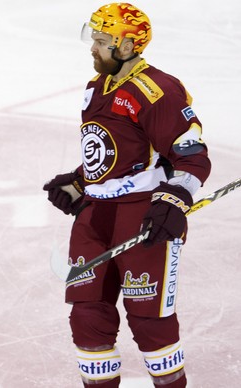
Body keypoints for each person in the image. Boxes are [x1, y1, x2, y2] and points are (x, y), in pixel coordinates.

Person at [43, 3, 210, 388]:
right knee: (87, 314)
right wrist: (82, 182)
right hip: (94, 216)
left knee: (149, 318)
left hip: (142, 215)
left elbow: (193, 156)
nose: (93, 48)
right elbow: (114, 152)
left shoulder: (158, 90)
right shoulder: (95, 88)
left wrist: (173, 201)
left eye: (101, 41)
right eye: (94, 39)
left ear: (128, 44)